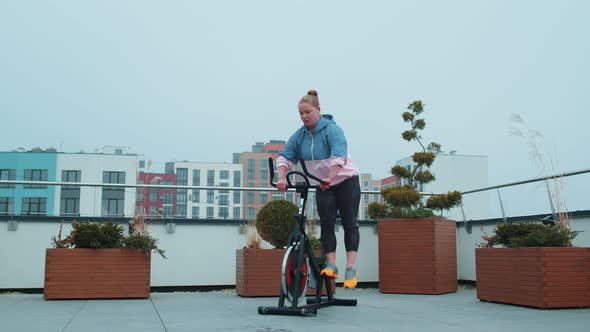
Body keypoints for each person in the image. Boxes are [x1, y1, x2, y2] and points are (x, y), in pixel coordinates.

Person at [276, 89, 361, 289]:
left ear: (318, 110)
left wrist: (329, 178)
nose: (304, 116)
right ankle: (331, 264)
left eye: (308, 112)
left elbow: (339, 157)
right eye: (301, 113)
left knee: (350, 223)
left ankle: (351, 268)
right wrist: (281, 177)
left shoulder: (332, 130)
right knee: (326, 222)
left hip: (345, 179)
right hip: (322, 183)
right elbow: (285, 158)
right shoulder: (299, 136)